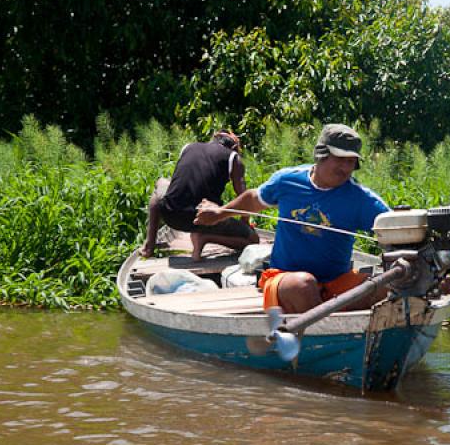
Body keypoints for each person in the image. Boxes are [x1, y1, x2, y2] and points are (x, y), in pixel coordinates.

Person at [195, 124, 390, 313]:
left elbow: (395, 226)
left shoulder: (360, 198)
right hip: (285, 277)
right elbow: (254, 199)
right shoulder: (288, 181)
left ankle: (338, 327)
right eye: (340, 159)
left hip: (336, 281)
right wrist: (220, 214)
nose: (345, 167)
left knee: (385, 287)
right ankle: (323, 333)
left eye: (350, 161)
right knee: (304, 284)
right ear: (321, 154)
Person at [138, 130, 259, 261]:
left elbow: (178, 184)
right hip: (203, 219)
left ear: (213, 139)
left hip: (170, 214)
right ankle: (204, 237)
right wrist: (245, 224)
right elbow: (244, 197)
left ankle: (149, 246)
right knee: (253, 241)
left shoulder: (188, 147)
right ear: (235, 147)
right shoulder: (233, 157)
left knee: (161, 184)